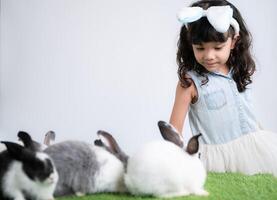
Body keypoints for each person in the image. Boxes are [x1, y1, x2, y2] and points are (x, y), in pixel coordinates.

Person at [170, 0, 277, 176]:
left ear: (234, 42)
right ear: (191, 45)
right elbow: (174, 132)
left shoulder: (238, 71)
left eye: (218, 47)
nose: (209, 56)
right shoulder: (190, 83)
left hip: (254, 151)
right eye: (200, 48)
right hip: (216, 160)